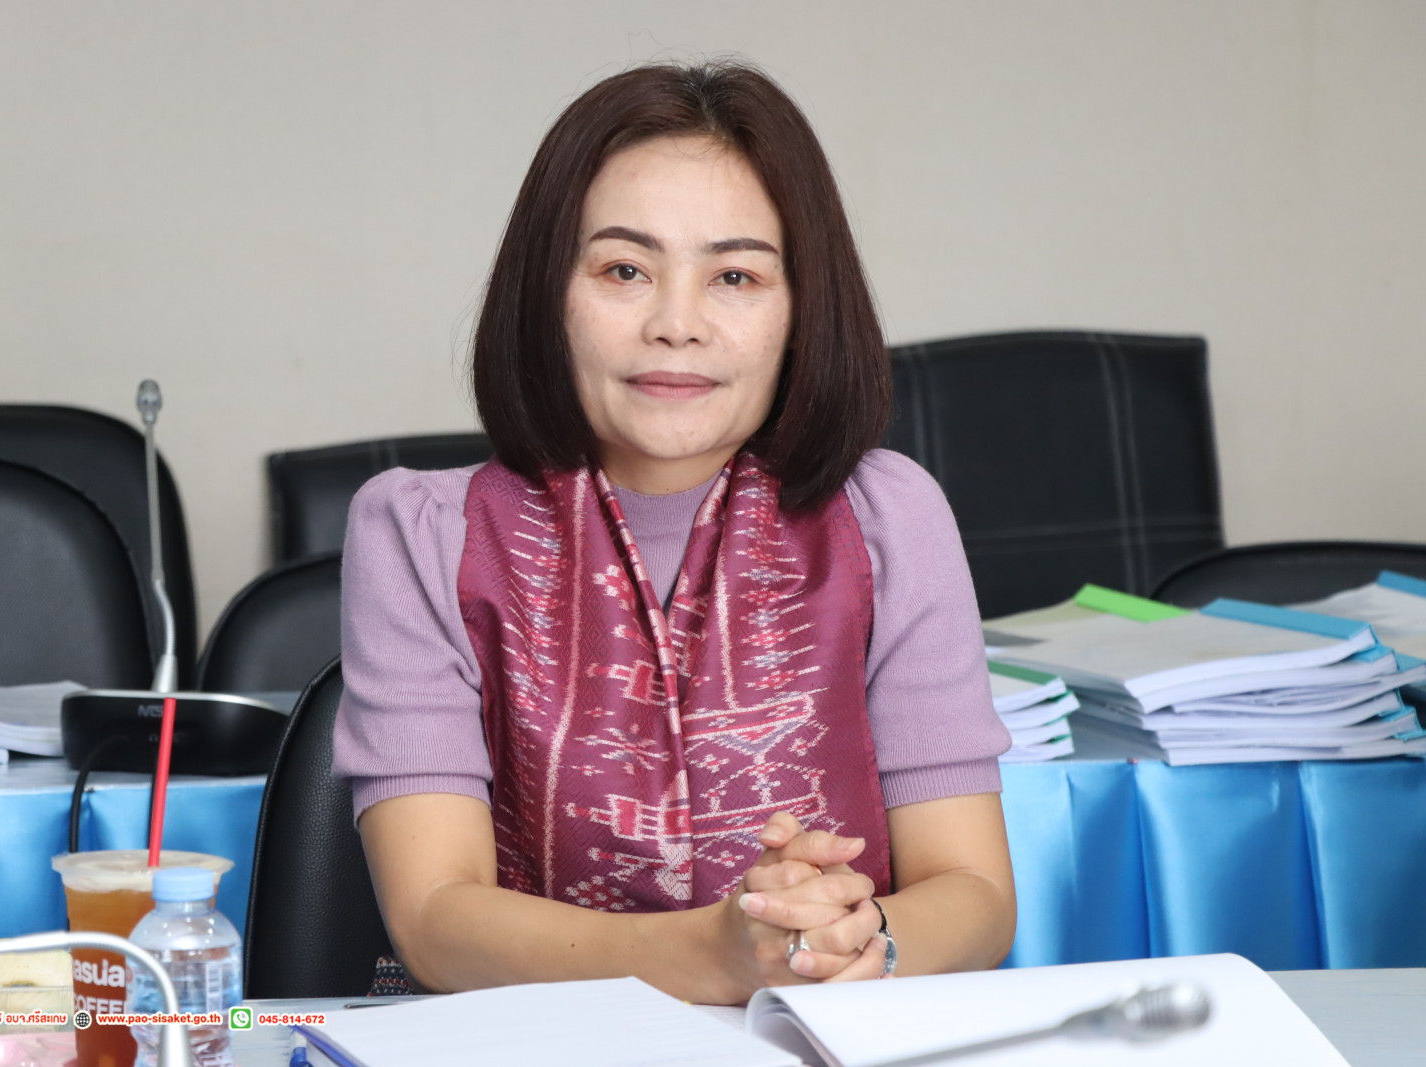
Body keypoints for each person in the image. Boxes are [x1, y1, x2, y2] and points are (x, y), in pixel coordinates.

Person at [332, 61, 1015, 1006]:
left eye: (735, 275)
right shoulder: (421, 534)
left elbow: (975, 892)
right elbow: (433, 921)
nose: (677, 324)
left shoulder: (889, 517)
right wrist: (716, 953)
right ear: (547, 294)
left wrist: (855, 940)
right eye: (625, 270)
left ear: (800, 312)